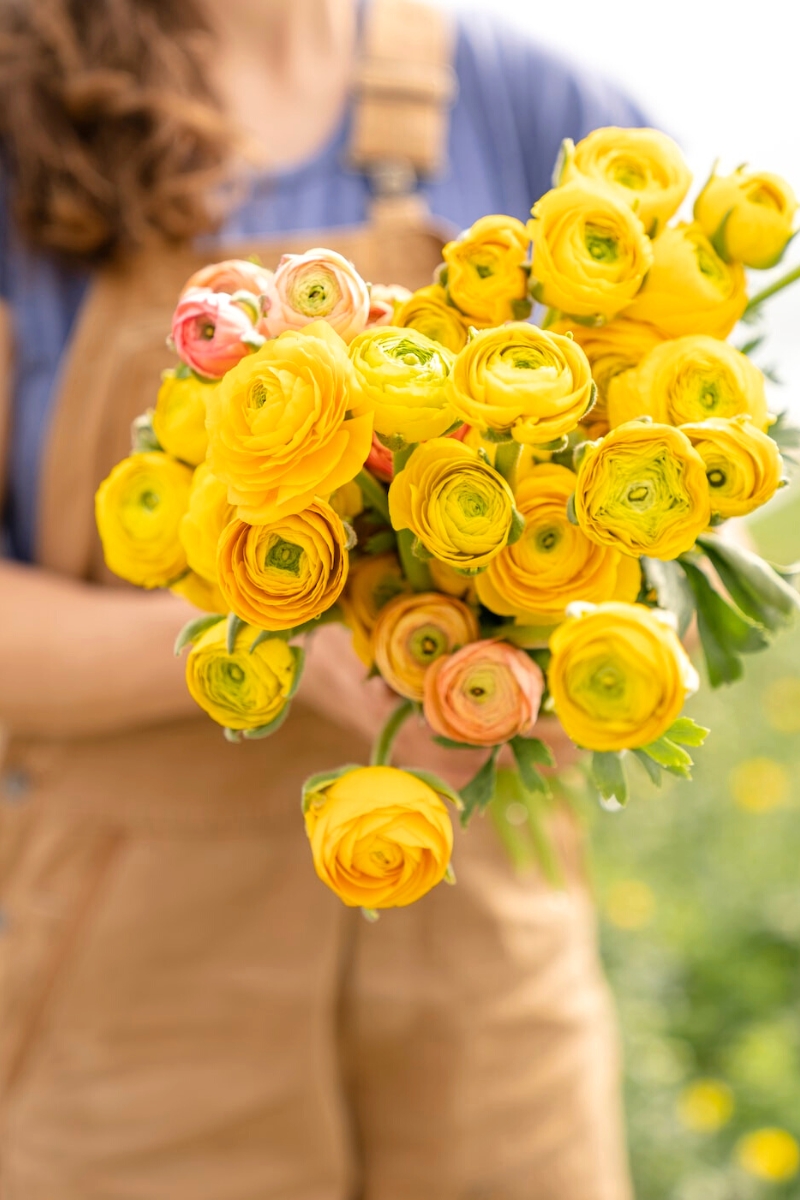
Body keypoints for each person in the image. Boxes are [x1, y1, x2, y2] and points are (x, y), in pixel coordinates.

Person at [0, 1, 646, 1196]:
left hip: (489, 985)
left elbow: (671, 540)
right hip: (125, 992)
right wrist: (275, 642)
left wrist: (564, 658)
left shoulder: (548, 117)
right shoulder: (19, 113)